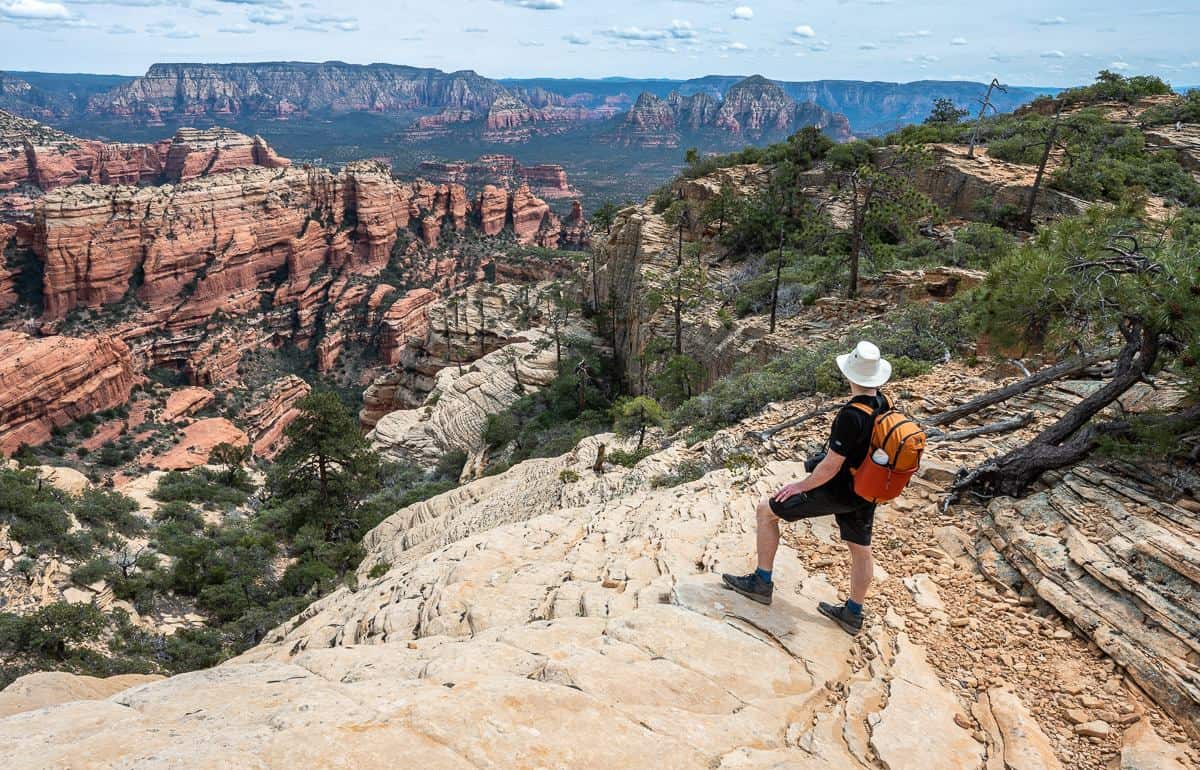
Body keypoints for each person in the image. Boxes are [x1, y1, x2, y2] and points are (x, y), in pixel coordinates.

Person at [722, 340, 892, 636]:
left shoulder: (852, 414)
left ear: (850, 375)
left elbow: (830, 466)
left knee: (766, 511)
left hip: (838, 490)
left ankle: (761, 582)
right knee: (861, 549)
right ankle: (853, 613)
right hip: (866, 489)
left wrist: (800, 486)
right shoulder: (883, 403)